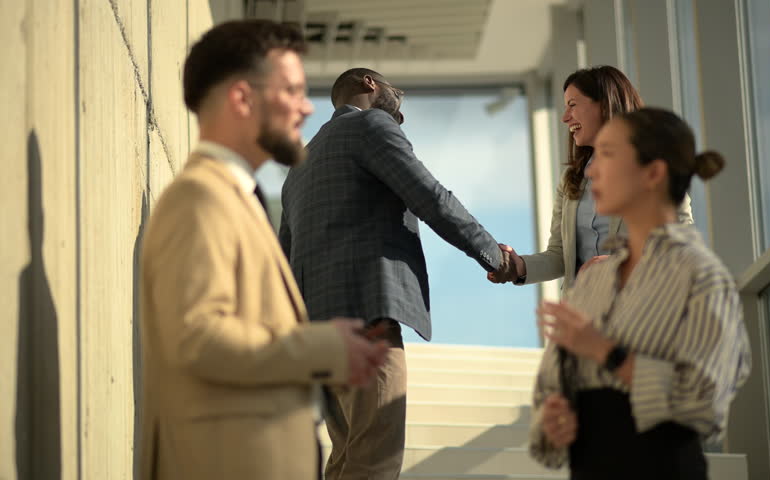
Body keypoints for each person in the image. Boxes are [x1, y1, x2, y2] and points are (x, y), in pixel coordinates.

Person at [140, 21, 389, 480]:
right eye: (292, 91)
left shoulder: (240, 202)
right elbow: (197, 338)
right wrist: (320, 345)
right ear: (241, 98)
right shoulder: (200, 198)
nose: (307, 107)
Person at [278, 67, 512, 480]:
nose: (398, 106)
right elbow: (430, 196)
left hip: (319, 337)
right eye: (395, 94)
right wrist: (494, 254)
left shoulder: (300, 166)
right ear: (370, 84)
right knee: (375, 462)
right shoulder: (371, 124)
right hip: (367, 322)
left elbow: (283, 261)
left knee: (346, 460)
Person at [529, 107, 752, 479]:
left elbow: (705, 403)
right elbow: (550, 393)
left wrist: (605, 351)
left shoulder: (702, 276)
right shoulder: (592, 283)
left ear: (653, 173)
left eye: (609, 155)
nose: (592, 170)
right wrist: (552, 424)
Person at [489, 66, 693, 289]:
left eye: (572, 105)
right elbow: (560, 256)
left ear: (605, 105)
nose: (565, 118)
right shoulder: (572, 178)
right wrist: (520, 266)